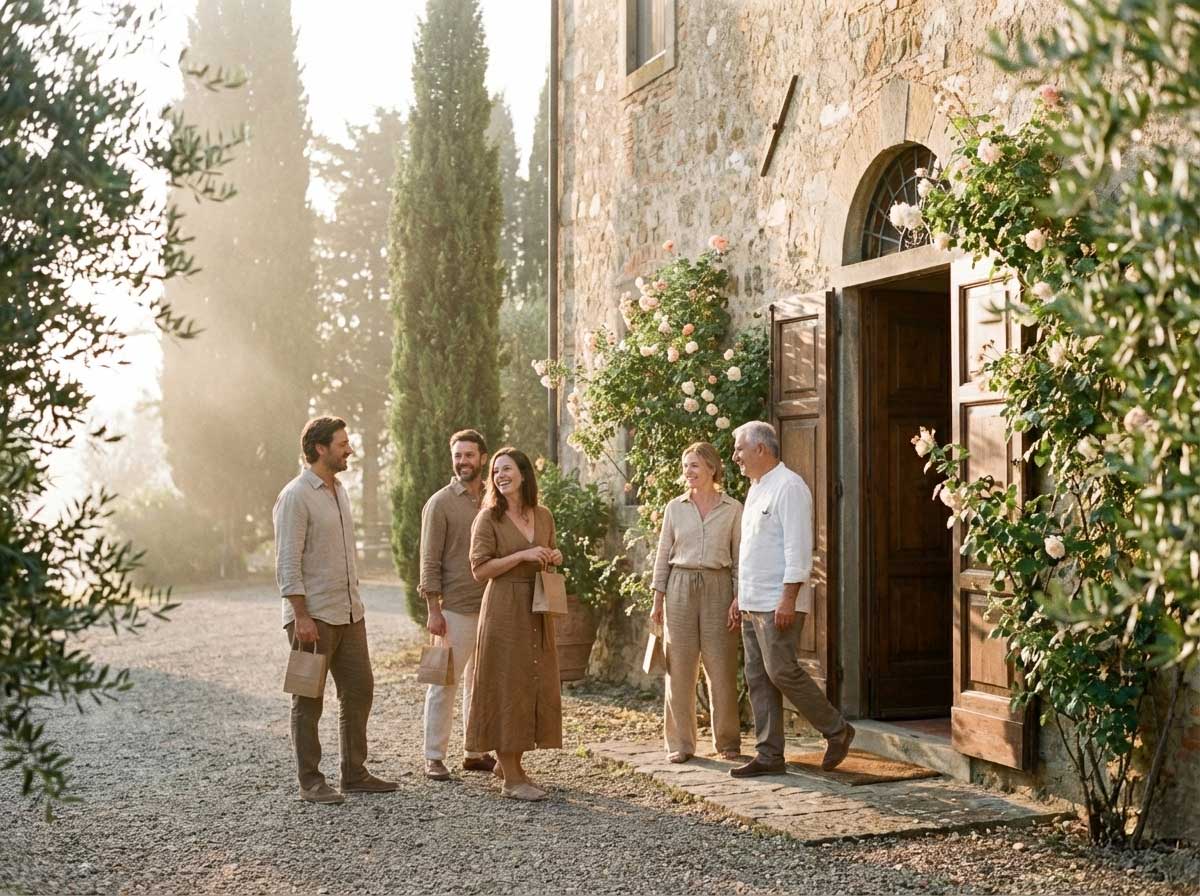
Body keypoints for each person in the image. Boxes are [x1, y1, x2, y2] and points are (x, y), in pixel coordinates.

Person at [273, 416, 397, 803]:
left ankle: (354, 773)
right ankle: (310, 781)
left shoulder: (340, 490)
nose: (350, 450)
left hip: (350, 613)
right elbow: (287, 562)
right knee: (308, 699)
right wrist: (301, 616)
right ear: (320, 448)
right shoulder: (295, 496)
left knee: (360, 690)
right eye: (343, 444)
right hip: (313, 617)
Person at [729, 421, 855, 777]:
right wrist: (740, 597)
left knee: (781, 670)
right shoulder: (756, 488)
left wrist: (788, 598)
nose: (735, 456)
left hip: (777, 601)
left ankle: (837, 730)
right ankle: (769, 755)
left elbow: (798, 548)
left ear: (760, 449)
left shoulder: (790, 486)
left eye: (739, 449)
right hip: (753, 600)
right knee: (758, 677)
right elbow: (753, 551)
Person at [465, 448, 563, 801]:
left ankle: (512, 765)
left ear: (523, 473)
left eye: (506, 469)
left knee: (530, 680)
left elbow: (550, 549)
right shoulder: (488, 518)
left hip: (537, 605)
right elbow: (479, 570)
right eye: (496, 471)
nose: (500, 476)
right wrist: (522, 555)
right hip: (504, 607)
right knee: (505, 683)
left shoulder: (543, 514)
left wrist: (553, 556)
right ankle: (511, 779)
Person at [650, 442, 743, 763]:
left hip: (719, 586)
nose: (687, 472)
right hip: (680, 585)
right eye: (685, 465)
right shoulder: (674, 508)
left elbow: (739, 558)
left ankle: (728, 742)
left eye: (694, 465)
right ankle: (680, 744)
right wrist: (657, 599)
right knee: (679, 668)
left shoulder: (732, 508)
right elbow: (663, 553)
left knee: (722, 668)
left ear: (712, 469)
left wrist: (738, 598)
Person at [418, 429, 497, 780]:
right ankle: (433, 757)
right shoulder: (440, 503)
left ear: (483, 458)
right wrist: (433, 610)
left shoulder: (494, 499)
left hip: (492, 606)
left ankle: (474, 752)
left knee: (481, 684)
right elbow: (429, 560)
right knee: (443, 683)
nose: (463, 461)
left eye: (469, 455)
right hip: (453, 609)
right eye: (458, 455)